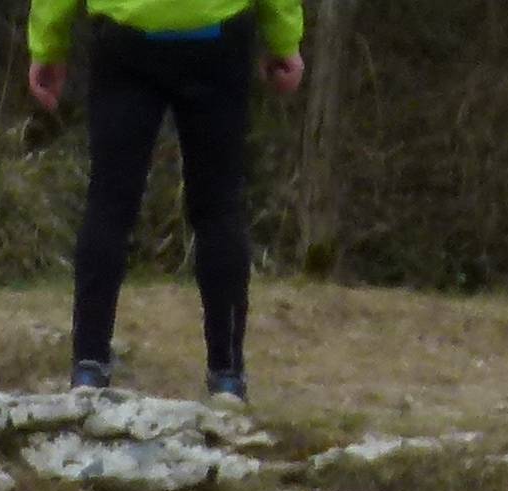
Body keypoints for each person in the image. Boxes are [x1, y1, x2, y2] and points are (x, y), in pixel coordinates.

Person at [29, 0, 307, 402]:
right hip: (217, 32)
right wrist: (283, 41)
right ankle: (227, 375)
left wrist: (48, 45)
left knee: (109, 203)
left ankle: (89, 366)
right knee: (219, 207)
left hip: (125, 34)